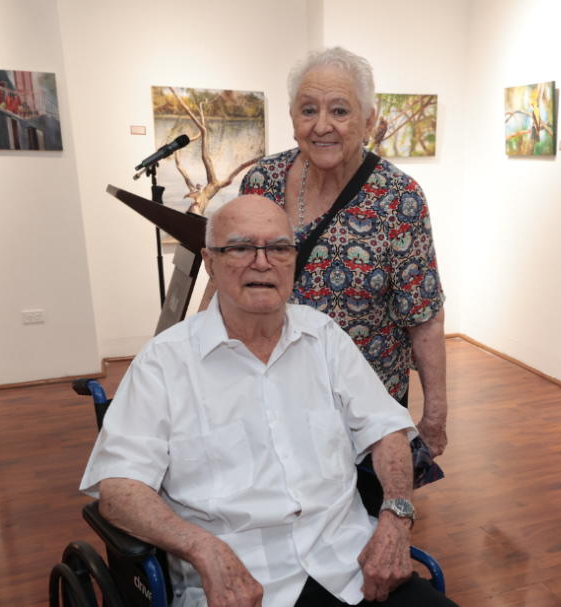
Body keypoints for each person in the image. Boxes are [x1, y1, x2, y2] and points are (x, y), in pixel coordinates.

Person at [81, 196, 455, 607]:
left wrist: (396, 518)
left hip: (351, 567)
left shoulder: (324, 338)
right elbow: (118, 489)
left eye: (278, 248)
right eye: (240, 248)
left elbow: (387, 432)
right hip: (239, 586)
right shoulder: (162, 363)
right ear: (209, 261)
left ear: (294, 259)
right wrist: (202, 547)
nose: (262, 263)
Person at [198, 47, 448, 514]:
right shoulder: (264, 180)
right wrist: (199, 348)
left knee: (363, 525)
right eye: (308, 110)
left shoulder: (400, 199)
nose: (322, 125)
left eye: (339, 110)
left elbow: (425, 315)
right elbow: (226, 271)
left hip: (362, 409)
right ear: (292, 116)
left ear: (369, 119)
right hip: (269, 391)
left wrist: (434, 412)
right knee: (274, 511)